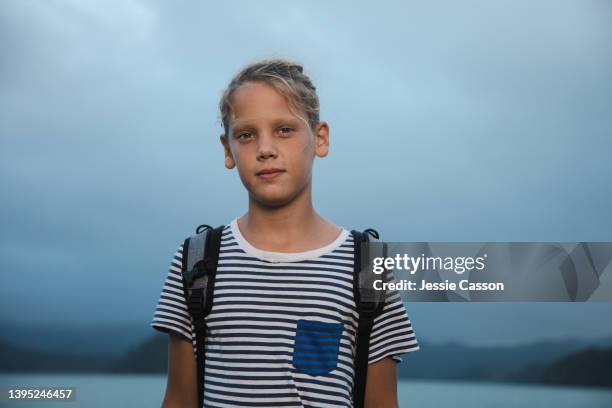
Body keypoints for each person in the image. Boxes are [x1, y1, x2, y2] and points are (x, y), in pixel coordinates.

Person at [151, 58, 419, 407]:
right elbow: (178, 400)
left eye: (284, 130)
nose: (265, 149)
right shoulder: (196, 260)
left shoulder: (368, 266)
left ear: (320, 139)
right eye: (246, 135)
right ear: (227, 149)